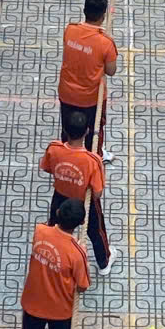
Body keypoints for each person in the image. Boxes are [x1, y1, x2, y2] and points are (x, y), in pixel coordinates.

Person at [40, 108, 115, 275]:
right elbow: (97, 193)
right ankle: (104, 262)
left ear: (65, 130)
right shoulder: (92, 160)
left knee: (55, 226)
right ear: (87, 131)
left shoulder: (54, 148)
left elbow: (46, 167)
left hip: (59, 197)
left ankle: (52, 255)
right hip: (83, 202)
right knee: (96, 231)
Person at [19, 197, 90, 329]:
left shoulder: (39, 231)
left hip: (32, 302)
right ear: (81, 222)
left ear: (58, 212)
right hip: (60, 310)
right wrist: (83, 255)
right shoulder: (77, 253)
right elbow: (82, 286)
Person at [57, 0, 118, 157]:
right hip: (91, 98)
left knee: (69, 128)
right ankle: (94, 157)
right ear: (103, 16)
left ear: (84, 11)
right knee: (94, 131)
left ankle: (66, 156)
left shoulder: (69, 30)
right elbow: (111, 71)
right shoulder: (106, 43)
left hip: (67, 93)